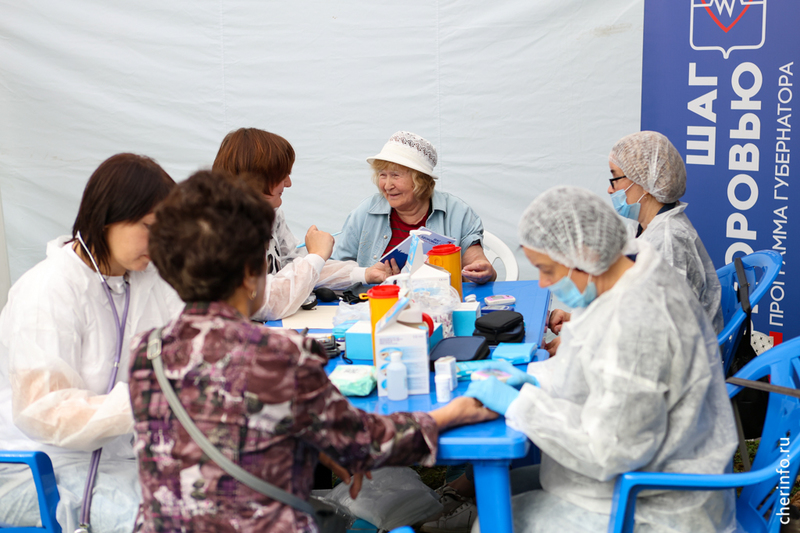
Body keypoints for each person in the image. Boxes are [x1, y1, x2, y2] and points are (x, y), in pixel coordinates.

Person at [129, 169, 496, 532]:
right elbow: (369, 443)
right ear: (248, 272)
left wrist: (318, 447)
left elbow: (228, 427)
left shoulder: (148, 352)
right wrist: (450, 413)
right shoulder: (281, 355)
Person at [464, 186, 737, 532]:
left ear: (585, 254)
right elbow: (586, 364)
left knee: (491, 519)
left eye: (548, 269)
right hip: (642, 466)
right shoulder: (624, 276)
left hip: (658, 505)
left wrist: (523, 405)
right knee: (497, 494)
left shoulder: (639, 319)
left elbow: (611, 450)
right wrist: (535, 376)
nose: (545, 282)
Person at [0, 154, 184, 532]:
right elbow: (45, 414)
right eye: (150, 226)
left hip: (123, 456)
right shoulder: (47, 291)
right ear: (108, 217)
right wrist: (150, 399)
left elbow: (191, 339)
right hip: (45, 467)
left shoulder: (145, 277)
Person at [212, 128, 396, 321]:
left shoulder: (271, 216)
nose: (289, 183)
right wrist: (316, 255)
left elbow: (293, 267)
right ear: (258, 177)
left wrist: (364, 273)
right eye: (282, 175)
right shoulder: (219, 231)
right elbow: (265, 302)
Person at [332, 131, 497, 284]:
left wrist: (483, 271)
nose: (387, 185)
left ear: (420, 180)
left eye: (395, 175)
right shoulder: (365, 211)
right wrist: (368, 274)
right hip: (374, 305)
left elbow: (478, 265)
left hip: (438, 306)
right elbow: (334, 270)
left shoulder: (457, 212)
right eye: (383, 175)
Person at [607, 130, 723, 334]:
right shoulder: (642, 226)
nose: (610, 189)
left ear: (643, 183)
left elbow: (663, 334)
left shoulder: (668, 241)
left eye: (615, 178)